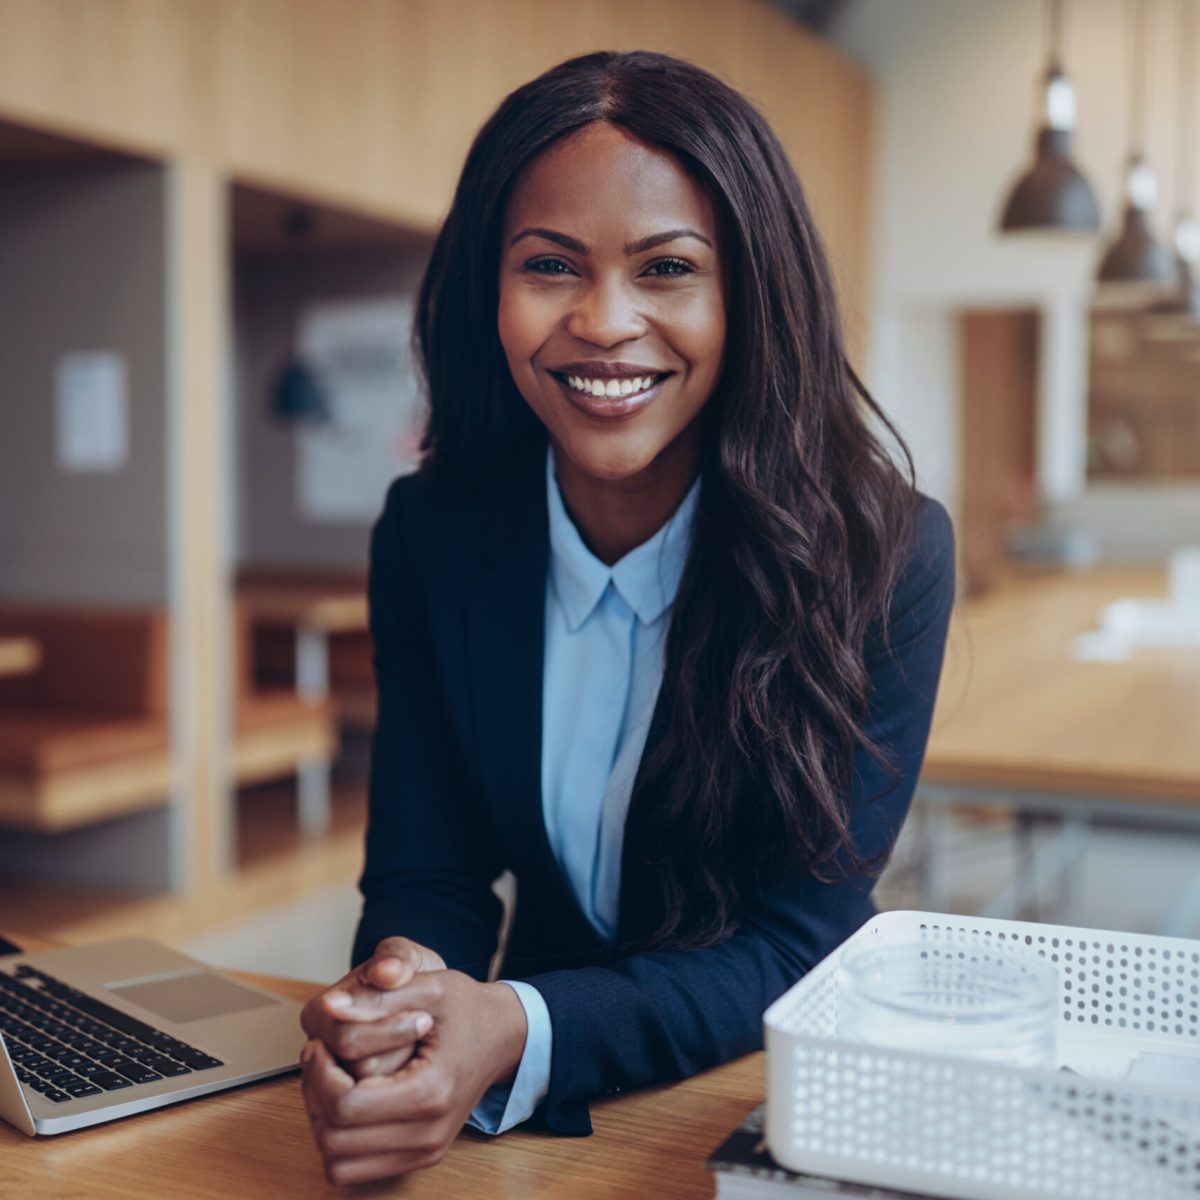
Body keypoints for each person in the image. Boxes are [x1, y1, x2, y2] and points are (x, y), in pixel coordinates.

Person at [298, 49, 955, 1186]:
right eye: (551, 265)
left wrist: (511, 1025)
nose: (605, 322)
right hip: (524, 1117)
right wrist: (398, 1006)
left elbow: (799, 940)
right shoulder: (432, 534)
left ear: (748, 295)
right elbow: (429, 868)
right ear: (487, 294)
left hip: (749, 1103)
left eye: (666, 269)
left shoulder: (880, 556)